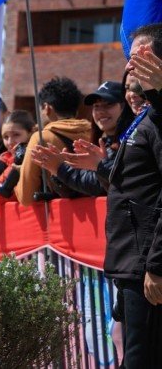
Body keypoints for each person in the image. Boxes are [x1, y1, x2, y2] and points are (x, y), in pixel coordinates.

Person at [102, 25, 162, 366]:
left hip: (148, 271)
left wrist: (157, 265)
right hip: (131, 268)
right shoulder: (146, 118)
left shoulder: (159, 120)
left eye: (138, 56)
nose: (129, 66)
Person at [31, 80, 133, 197]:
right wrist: (57, 172)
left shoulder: (133, 141)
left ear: (124, 107)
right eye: (96, 106)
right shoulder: (101, 144)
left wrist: (61, 168)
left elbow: (98, 186)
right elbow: (77, 192)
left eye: (108, 104)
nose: (100, 111)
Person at [14, 77, 92, 205]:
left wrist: (20, 173)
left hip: (62, 219)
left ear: (46, 107)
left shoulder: (41, 138)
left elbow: (25, 197)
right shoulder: (95, 133)